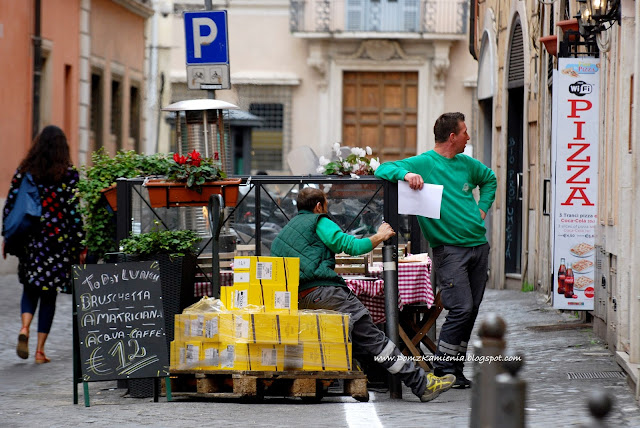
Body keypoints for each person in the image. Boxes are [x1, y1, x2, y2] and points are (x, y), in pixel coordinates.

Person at [270, 187, 455, 402]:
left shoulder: (286, 230)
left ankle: (363, 377)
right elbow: (350, 246)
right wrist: (379, 236)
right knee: (371, 336)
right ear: (319, 206)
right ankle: (421, 384)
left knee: (350, 338)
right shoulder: (319, 221)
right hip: (324, 292)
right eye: (326, 204)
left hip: (297, 299)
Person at [375, 112, 497, 389]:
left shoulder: (467, 164)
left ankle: (456, 369)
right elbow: (383, 169)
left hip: (478, 245)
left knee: (472, 309)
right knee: (461, 308)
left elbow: (489, 179)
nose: (469, 137)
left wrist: (482, 209)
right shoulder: (426, 162)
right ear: (452, 136)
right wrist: (407, 174)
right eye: (465, 132)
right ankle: (442, 368)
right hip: (449, 250)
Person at [2, 125, 85, 364]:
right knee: (48, 295)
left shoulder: (25, 171)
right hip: (56, 242)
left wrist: (7, 237)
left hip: (30, 239)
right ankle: (39, 351)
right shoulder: (68, 174)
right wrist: (80, 243)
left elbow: (11, 206)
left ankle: (24, 328)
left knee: (30, 288)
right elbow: (73, 212)